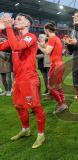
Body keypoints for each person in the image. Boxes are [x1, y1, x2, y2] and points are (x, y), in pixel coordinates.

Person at [0, 13, 46, 149]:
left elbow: (17, 47)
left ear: (27, 24)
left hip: (29, 79)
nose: (15, 21)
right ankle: (25, 130)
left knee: (35, 107)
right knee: (19, 106)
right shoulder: (15, 37)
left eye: (19, 19)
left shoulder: (31, 36)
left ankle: (41, 134)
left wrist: (8, 28)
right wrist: (1, 28)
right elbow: (2, 47)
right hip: (18, 79)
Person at [38, 22, 68, 114]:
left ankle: (61, 104)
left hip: (55, 65)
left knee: (51, 87)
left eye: (44, 30)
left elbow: (47, 52)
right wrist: (42, 44)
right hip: (60, 64)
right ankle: (64, 104)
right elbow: (49, 48)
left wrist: (38, 46)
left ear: (47, 30)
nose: (44, 32)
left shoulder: (51, 38)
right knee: (58, 86)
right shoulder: (56, 38)